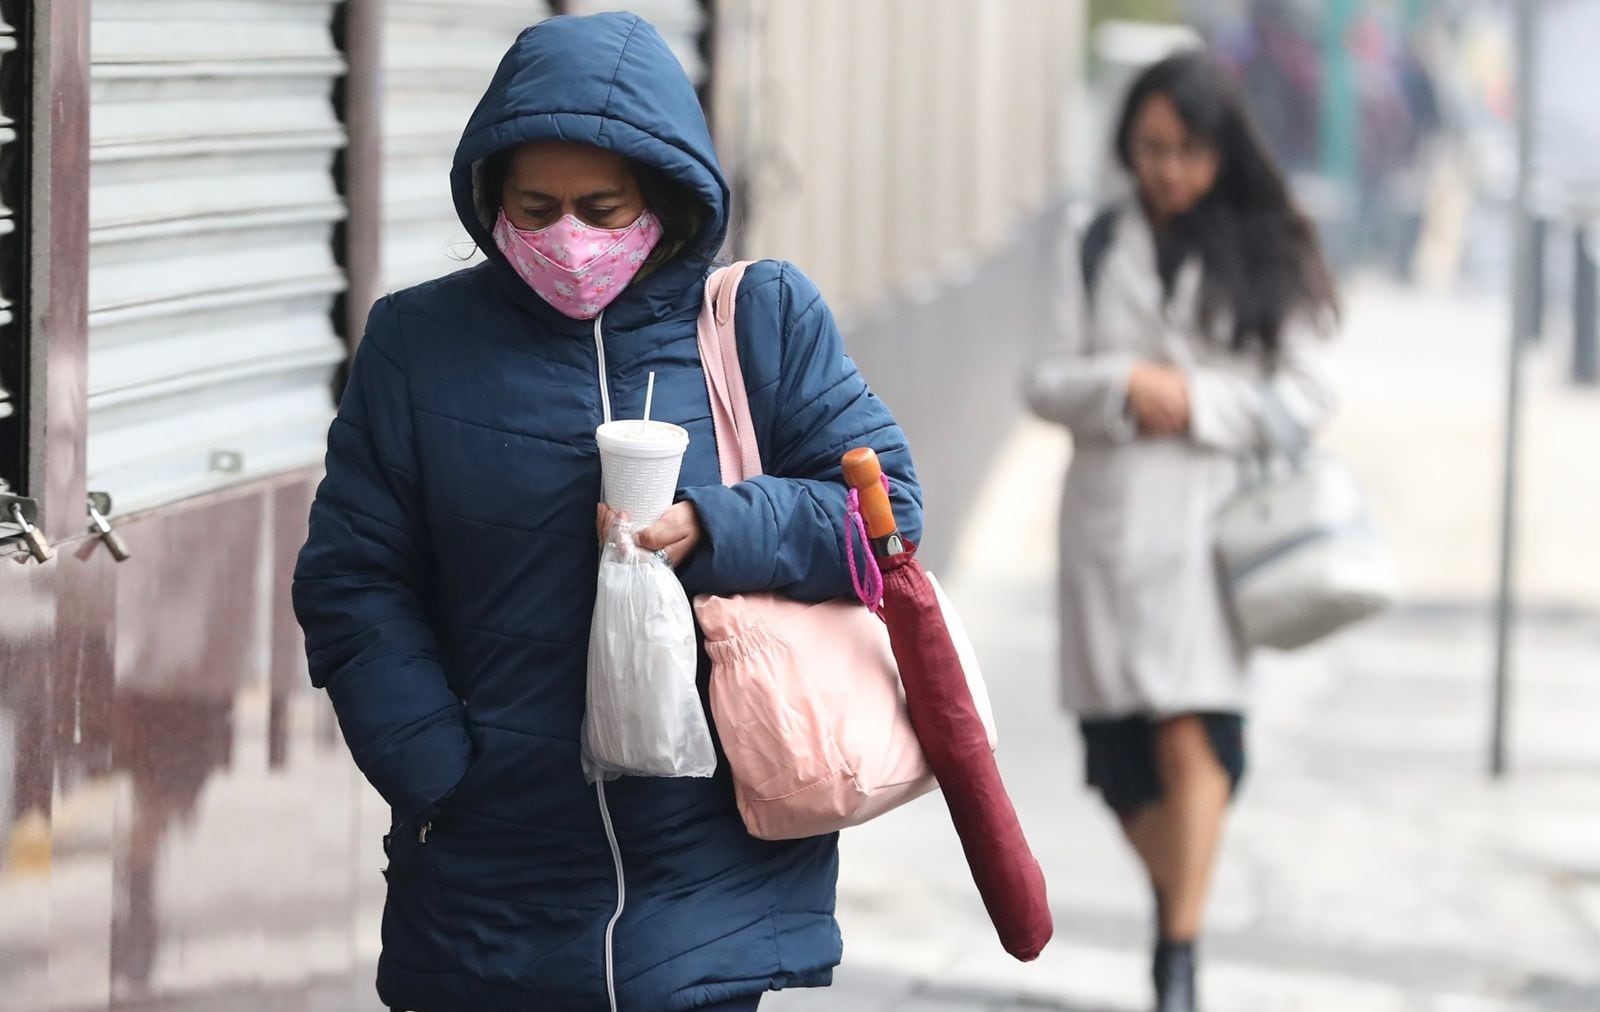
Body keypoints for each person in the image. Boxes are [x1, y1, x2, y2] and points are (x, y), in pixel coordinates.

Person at [293, 13, 921, 1012]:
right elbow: (353, 573)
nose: (566, 237)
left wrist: (717, 527)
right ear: (489, 199)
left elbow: (883, 521)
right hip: (492, 870)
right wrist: (436, 768)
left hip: (708, 861)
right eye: (533, 207)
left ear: (662, 202)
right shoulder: (417, 345)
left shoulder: (761, 321)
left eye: (599, 206)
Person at [1025, 51, 1338, 1012]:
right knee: (1119, 768)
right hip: (1109, 536)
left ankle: (1178, 959)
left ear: (1221, 150)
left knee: (1198, 740)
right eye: (1150, 148)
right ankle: (1178, 915)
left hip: (1213, 538)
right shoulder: (1090, 238)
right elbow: (1042, 380)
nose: (1166, 170)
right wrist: (1124, 386)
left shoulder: (1270, 245)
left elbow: (1308, 394)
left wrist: (1196, 400)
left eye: (1187, 152)